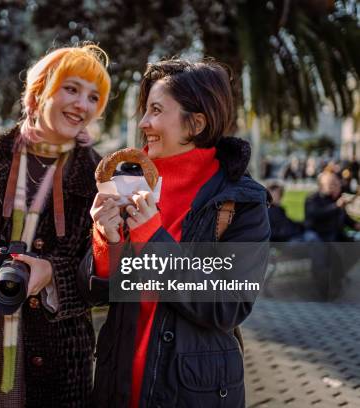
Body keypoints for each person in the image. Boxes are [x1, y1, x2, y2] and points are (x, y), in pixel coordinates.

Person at [79, 59, 271, 407]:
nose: (143, 123)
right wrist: (107, 241)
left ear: (195, 123)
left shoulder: (242, 201)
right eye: (145, 110)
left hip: (193, 391)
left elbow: (227, 305)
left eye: (155, 110)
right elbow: (96, 292)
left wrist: (152, 238)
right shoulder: (129, 183)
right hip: (117, 384)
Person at [0, 44, 110, 407]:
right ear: (40, 89)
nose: (82, 105)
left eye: (93, 97)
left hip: (55, 358)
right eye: (71, 89)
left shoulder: (99, 176)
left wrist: (52, 276)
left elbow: (103, 273)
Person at [305, 170, 360, 242]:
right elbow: (318, 214)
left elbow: (347, 221)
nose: (337, 186)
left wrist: (356, 224)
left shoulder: (335, 199)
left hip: (339, 236)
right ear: (322, 187)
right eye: (331, 184)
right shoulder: (312, 199)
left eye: (337, 183)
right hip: (321, 238)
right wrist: (336, 206)